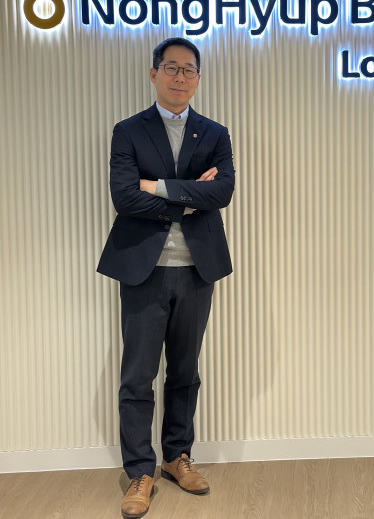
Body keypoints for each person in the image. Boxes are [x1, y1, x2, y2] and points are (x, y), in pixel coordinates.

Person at [97, 38, 235, 518]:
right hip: (143, 269)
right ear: (153, 73)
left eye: (188, 69)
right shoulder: (128, 131)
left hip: (197, 268)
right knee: (138, 376)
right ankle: (141, 470)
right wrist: (190, 195)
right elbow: (124, 197)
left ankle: (177, 456)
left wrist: (156, 186)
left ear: (198, 78)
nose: (180, 77)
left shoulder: (214, 133)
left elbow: (222, 193)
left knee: (185, 371)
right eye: (171, 68)